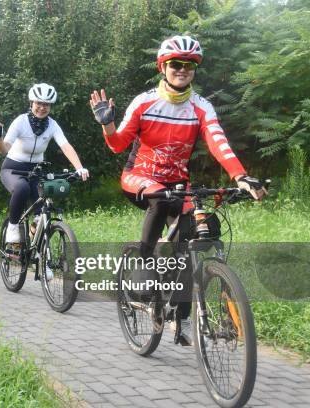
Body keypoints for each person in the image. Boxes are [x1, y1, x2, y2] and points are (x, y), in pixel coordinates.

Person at [89, 35, 266, 345]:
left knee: (193, 243)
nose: (182, 69)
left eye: (189, 65)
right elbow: (117, 145)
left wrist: (240, 176)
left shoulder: (201, 107)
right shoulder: (144, 102)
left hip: (178, 184)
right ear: (163, 67)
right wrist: (107, 125)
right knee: (159, 197)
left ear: (194, 70)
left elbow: (218, 142)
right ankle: (145, 265)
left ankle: (180, 318)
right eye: (175, 64)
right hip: (139, 176)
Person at [0, 83, 89, 244]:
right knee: (21, 188)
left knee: (43, 212)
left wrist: (79, 168)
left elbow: (65, 146)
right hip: (13, 168)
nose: (42, 107)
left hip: (36, 171)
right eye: (38, 103)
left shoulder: (52, 125)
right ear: (31, 103)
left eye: (46, 104)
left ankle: (39, 256)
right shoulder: (20, 121)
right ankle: (12, 227)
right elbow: (4, 150)